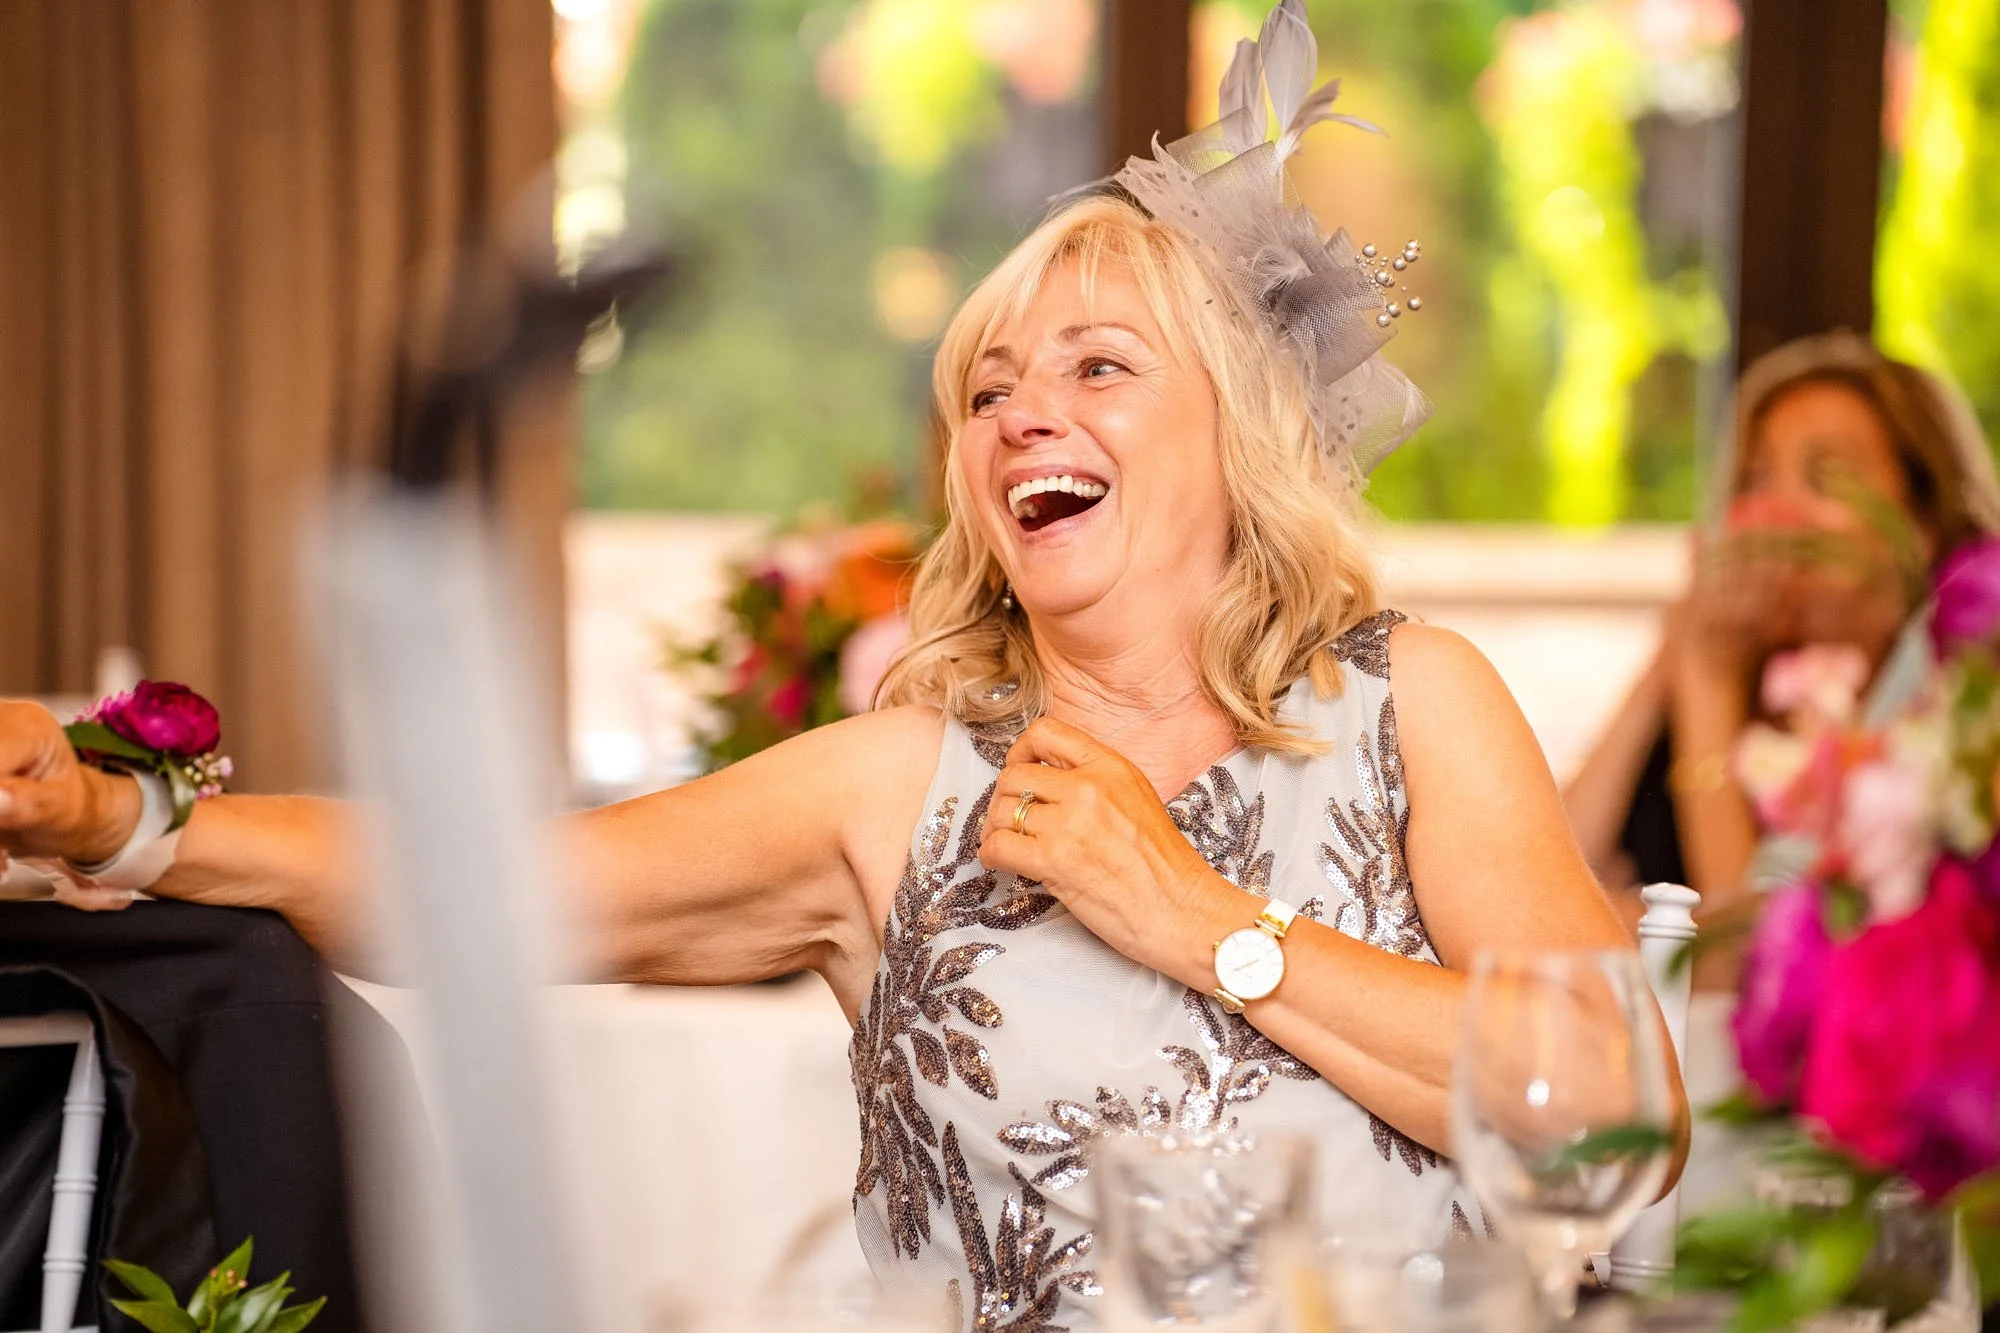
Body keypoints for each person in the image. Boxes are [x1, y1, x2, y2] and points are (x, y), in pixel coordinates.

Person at [0, 9, 1675, 1323]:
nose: (1026, 411)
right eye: (988, 387)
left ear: (1239, 443)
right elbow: (483, 888)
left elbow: (1613, 1111)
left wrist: (1185, 911)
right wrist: (115, 816)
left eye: (1100, 365)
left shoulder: (1413, 703)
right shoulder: (908, 780)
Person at [1564, 332, 2000, 974]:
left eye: (1827, 477)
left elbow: (1763, 973)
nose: (1777, 510)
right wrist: (1671, 661)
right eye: (1758, 477)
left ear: (1923, 521)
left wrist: (1706, 685)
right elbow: (1533, 889)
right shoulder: (1738, 673)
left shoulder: (1953, 719)